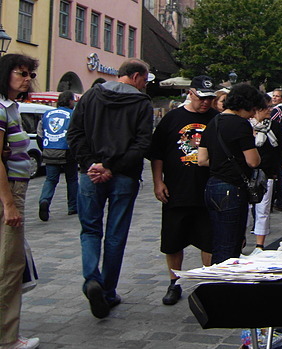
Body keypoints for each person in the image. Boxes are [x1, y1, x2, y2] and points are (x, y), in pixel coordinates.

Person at [67, 59, 153, 319]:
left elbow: (74, 134)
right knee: (116, 234)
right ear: (136, 76)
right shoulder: (141, 103)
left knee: (90, 230)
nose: (145, 86)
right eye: (145, 81)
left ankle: (92, 279)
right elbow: (142, 144)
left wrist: (92, 164)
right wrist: (112, 167)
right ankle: (107, 290)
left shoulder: (91, 95)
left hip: (89, 175)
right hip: (124, 175)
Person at [148, 75, 218, 306]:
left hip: (207, 189)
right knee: (173, 240)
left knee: (208, 240)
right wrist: (158, 182)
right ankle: (174, 282)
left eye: (210, 98)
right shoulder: (173, 118)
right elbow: (157, 153)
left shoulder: (215, 119)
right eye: (201, 98)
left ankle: (208, 284)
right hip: (177, 188)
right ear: (191, 93)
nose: (206, 103)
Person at [197, 84, 265, 264]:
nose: (252, 114)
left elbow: (202, 159)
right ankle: (223, 286)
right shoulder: (241, 124)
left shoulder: (214, 121)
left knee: (218, 240)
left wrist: (222, 161)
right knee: (230, 244)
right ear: (246, 104)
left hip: (212, 186)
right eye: (252, 109)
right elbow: (253, 161)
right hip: (232, 188)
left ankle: (217, 280)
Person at [0, 54, 40, 349]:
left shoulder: (10, 107)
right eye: (22, 72)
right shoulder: (2, 109)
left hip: (13, 189)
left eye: (30, 74)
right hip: (9, 191)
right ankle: (7, 338)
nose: (27, 78)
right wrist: (9, 204)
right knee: (9, 265)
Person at [251, 101, 282, 250]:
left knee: (263, 208)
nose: (270, 110)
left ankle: (259, 245)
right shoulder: (246, 126)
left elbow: (281, 150)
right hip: (246, 173)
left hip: (267, 172)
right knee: (246, 212)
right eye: (266, 107)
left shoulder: (274, 126)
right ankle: (240, 242)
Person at [37, 91, 78, 222]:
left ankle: (44, 200)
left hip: (49, 150)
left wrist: (44, 148)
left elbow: (40, 134)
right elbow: (76, 134)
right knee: (71, 179)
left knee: (50, 180)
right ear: (70, 101)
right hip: (67, 151)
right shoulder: (73, 114)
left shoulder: (47, 114)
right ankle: (73, 206)